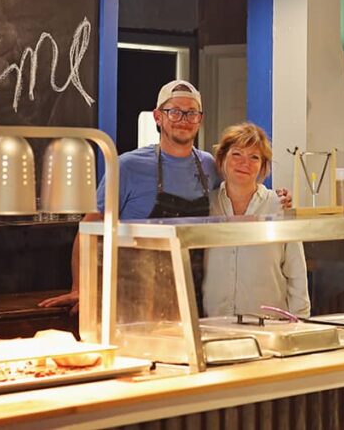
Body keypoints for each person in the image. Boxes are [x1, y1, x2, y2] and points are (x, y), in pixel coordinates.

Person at [39, 79, 287, 312]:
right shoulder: (127, 166)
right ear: (158, 117)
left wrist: (274, 199)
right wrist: (81, 288)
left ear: (199, 120)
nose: (183, 119)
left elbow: (238, 194)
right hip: (136, 298)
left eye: (191, 113)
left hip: (194, 298)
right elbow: (90, 228)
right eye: (174, 111)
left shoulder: (210, 166)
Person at [203, 122, 310, 317]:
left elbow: (296, 273)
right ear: (222, 158)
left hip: (270, 325)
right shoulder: (207, 206)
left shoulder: (279, 206)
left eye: (254, 157)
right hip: (215, 323)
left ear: (263, 166)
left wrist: (300, 321)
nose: (245, 163)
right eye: (236, 154)